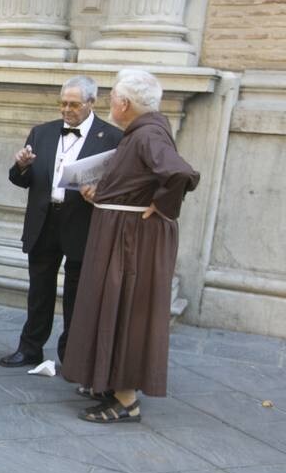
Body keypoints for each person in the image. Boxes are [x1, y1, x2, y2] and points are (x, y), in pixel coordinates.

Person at [65, 69, 199, 423]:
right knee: (112, 305)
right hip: (122, 232)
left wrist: (162, 205)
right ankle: (108, 381)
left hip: (130, 240)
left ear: (124, 103)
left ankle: (125, 401)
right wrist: (104, 195)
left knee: (122, 307)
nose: (111, 104)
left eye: (112, 99)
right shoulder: (144, 133)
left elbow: (181, 173)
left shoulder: (148, 135)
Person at [0, 76, 123, 369]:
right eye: (63, 103)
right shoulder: (41, 133)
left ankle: (72, 354)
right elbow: (21, 180)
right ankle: (30, 347)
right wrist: (21, 166)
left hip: (82, 222)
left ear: (91, 103)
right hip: (44, 221)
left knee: (77, 295)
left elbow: (120, 184)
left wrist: (100, 193)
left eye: (74, 104)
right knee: (39, 290)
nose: (66, 110)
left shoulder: (114, 138)